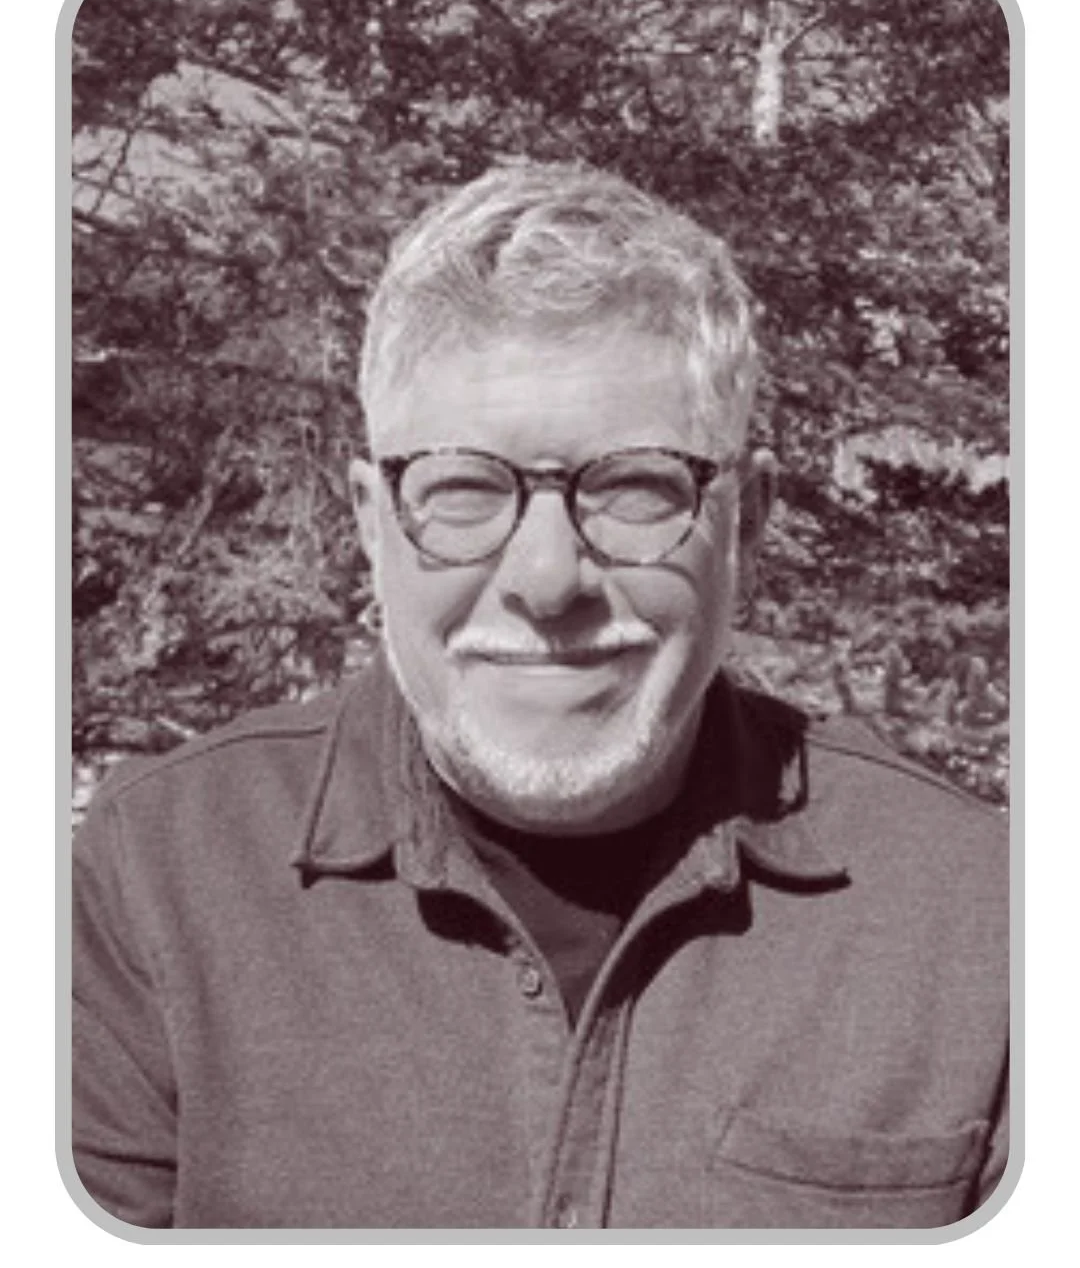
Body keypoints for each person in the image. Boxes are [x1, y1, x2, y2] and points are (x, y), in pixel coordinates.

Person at [71, 162, 1008, 1231]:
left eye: (635, 487)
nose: (548, 579)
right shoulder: (155, 876)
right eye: (464, 491)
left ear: (747, 520)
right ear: (372, 521)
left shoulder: (980, 915)